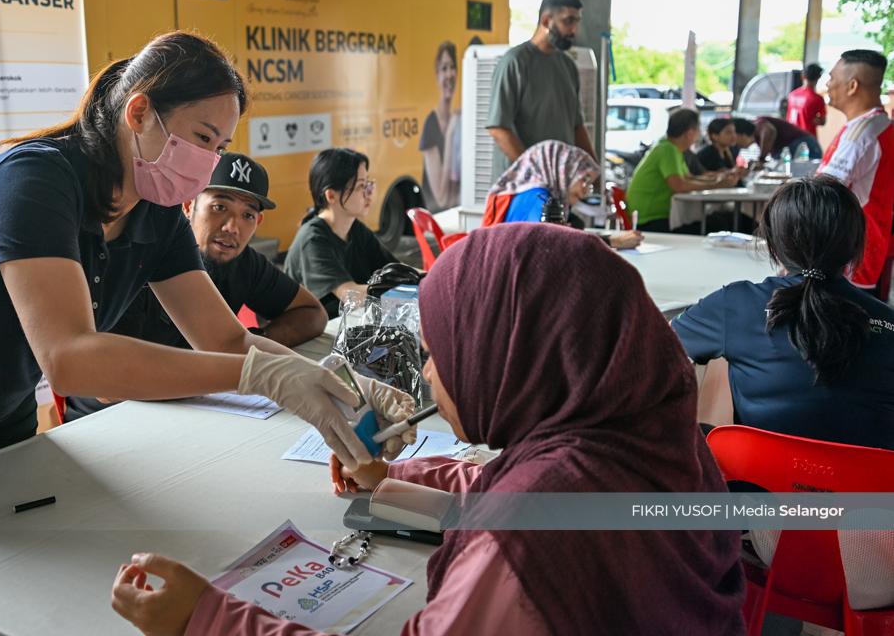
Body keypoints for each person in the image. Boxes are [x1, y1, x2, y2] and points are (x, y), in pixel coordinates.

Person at [0, 32, 411, 509]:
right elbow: (70, 356)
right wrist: (262, 377)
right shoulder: (35, 181)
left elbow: (225, 339)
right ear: (140, 112)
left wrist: (339, 386)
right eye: (203, 138)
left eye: (220, 147)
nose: (208, 164)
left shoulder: (155, 212)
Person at [110, 226, 744, 635]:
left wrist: (207, 618)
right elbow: (505, 491)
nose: (433, 375)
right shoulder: (651, 436)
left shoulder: (528, 541)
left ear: (514, 354)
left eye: (442, 352)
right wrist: (391, 478)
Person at [66, 153, 329, 419]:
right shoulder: (140, 257)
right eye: (219, 207)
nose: (232, 227)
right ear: (188, 204)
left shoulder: (243, 262)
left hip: (193, 405)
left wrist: (255, 345)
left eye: (247, 215)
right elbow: (109, 386)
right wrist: (239, 367)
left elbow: (311, 313)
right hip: (111, 418)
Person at [674, 176, 894, 447]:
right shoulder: (887, 322)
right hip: (868, 474)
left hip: (758, 472)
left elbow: (661, 341)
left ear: (774, 245)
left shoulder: (733, 305)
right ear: (855, 246)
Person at [484, 0, 595, 179]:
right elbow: (498, 128)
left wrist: (594, 171)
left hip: (559, 184)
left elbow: (577, 127)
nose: (574, 30)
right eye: (568, 21)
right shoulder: (514, 62)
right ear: (546, 21)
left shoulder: (568, 66)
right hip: (521, 186)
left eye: (576, 22)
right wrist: (535, 174)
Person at [284, 148, 398, 318]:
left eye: (368, 184)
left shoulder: (356, 229)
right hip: (306, 331)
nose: (369, 194)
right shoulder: (312, 240)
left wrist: (427, 278)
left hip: (343, 322)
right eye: (361, 186)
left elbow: (395, 270)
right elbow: (350, 294)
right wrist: (401, 285)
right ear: (331, 196)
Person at [817, 49, 894, 293]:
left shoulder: (861, 136)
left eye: (832, 78)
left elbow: (821, 194)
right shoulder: (877, 125)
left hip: (850, 260)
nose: (828, 85)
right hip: (866, 252)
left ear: (852, 86)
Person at [481, 140, 643, 248]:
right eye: (584, 180)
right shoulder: (538, 198)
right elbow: (554, 244)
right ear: (563, 172)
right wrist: (613, 241)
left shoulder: (529, 193)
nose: (584, 191)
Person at [627, 109, 744, 233]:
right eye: (698, 129)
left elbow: (689, 178)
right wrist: (718, 184)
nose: (700, 134)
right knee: (718, 223)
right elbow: (680, 185)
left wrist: (718, 178)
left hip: (655, 217)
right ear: (690, 133)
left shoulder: (671, 148)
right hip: (649, 221)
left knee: (720, 220)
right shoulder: (667, 150)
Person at [419, 41, 459, 211]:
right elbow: (441, 199)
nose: (449, 74)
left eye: (452, 67)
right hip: (438, 216)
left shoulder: (456, 118)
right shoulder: (431, 125)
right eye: (444, 68)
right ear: (437, 76)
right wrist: (449, 137)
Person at [743, 115, 821, 161]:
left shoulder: (759, 124)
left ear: (742, 134)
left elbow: (769, 131)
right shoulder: (757, 133)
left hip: (802, 144)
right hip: (797, 145)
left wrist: (762, 159)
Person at [786, 62, 826, 135]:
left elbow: (788, 116)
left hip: (791, 135)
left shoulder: (792, 95)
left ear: (802, 76)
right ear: (818, 77)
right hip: (806, 137)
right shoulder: (817, 99)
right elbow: (823, 121)